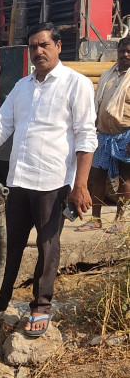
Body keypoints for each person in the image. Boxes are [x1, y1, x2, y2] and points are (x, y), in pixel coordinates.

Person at [0, 22, 97, 336]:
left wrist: (80, 185)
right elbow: (2, 124)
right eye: (33, 46)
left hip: (54, 181)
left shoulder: (75, 84)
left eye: (44, 45)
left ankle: (41, 306)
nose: (38, 51)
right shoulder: (23, 86)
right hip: (19, 179)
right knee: (10, 246)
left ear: (58, 46)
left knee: (48, 247)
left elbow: (86, 136)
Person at [75, 36, 130, 233]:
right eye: (122, 51)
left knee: (126, 179)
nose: (125, 54)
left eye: (129, 52)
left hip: (126, 134)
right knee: (96, 176)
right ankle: (95, 219)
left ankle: (120, 221)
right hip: (104, 134)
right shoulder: (108, 74)